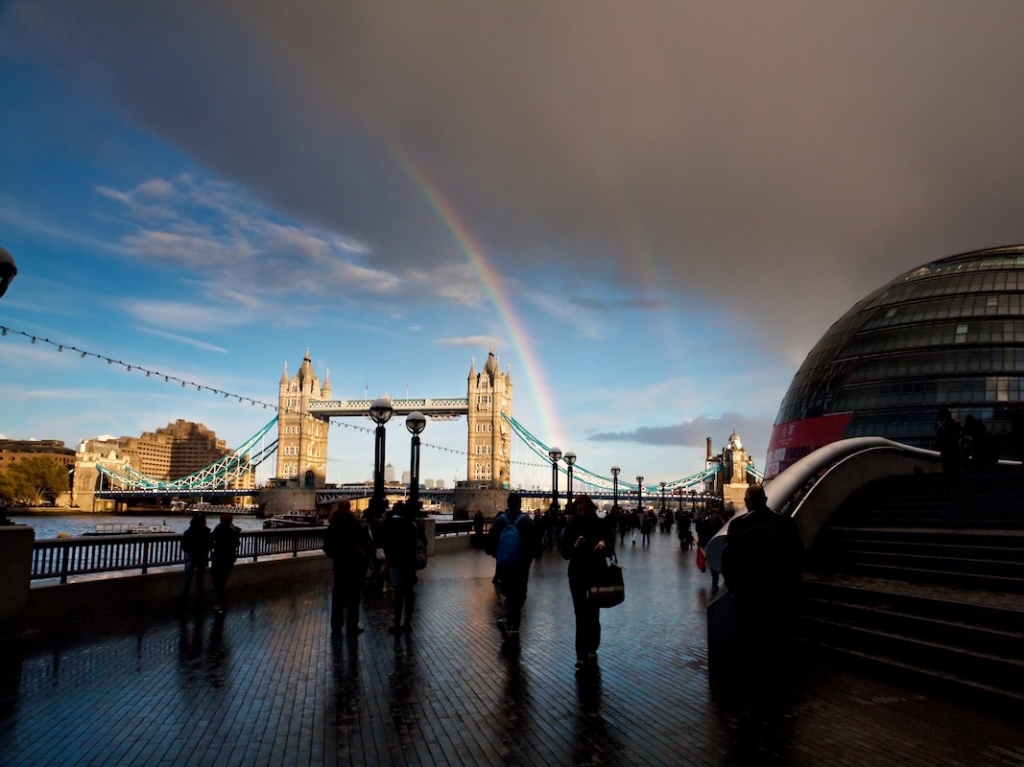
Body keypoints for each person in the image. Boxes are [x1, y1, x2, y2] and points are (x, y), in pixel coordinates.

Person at [722, 485, 804, 658]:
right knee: (776, 639)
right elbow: (798, 556)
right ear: (765, 500)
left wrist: (735, 590)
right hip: (780, 592)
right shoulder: (787, 523)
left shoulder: (738, 525)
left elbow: (728, 562)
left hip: (750, 593)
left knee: (749, 636)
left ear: (746, 502)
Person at [560, 495, 614, 671]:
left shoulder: (601, 524)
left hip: (596, 573)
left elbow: (610, 545)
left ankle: (592, 649)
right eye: (579, 510)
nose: (582, 513)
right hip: (576, 575)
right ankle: (581, 654)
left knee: (593, 614)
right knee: (580, 615)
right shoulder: (571, 527)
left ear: (591, 508)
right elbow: (565, 553)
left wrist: (603, 543)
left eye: (585, 509)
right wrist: (574, 546)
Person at [485, 492, 541, 644]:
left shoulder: (499, 521)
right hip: (521, 565)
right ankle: (507, 618)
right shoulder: (526, 522)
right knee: (519, 594)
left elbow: (490, 542)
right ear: (520, 504)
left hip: (503, 564)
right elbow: (535, 545)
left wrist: (493, 552)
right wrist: (534, 554)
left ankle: (513, 627)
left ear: (508, 504)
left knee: (509, 593)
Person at [322, 499, 371, 636]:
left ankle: (336, 628)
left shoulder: (332, 525)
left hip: (339, 563)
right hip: (353, 562)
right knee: (353, 595)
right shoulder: (354, 523)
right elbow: (363, 542)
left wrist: (335, 555)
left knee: (337, 596)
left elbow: (327, 547)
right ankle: (352, 626)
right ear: (349, 507)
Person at [380, 501, 424, 635]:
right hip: (409, 563)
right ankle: (407, 622)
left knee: (398, 594)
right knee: (409, 593)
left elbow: (383, 543)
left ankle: (397, 623)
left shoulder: (388, 524)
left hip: (395, 563)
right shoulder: (411, 525)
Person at [210, 513, 241, 613]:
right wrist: (235, 531)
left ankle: (220, 602)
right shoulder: (232, 531)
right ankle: (221, 602)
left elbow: (212, 539)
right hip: (228, 559)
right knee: (222, 580)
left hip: (218, 557)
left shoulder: (218, 529)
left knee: (217, 580)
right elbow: (237, 543)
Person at [180, 513, 213, 605]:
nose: (206, 522)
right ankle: (199, 597)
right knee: (200, 579)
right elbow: (210, 545)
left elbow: (184, 546)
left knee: (187, 579)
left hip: (190, 556)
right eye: (205, 520)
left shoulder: (188, 532)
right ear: (202, 522)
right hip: (201, 557)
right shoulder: (206, 532)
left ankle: (183, 598)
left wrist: (189, 551)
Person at [935, 407, 963, 475]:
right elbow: (961, 431)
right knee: (955, 467)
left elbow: (938, 437)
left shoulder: (939, 425)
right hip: (954, 448)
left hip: (945, 449)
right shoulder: (954, 423)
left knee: (946, 466)